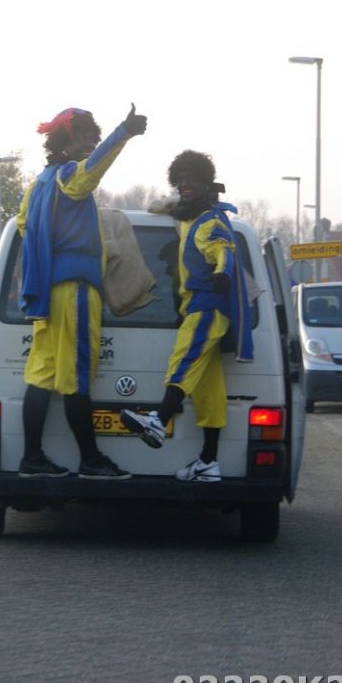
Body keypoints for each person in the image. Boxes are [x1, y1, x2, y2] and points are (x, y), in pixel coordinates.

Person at [17, 103, 147, 480]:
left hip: (46, 294)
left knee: (42, 376)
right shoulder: (70, 177)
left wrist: (50, 248)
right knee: (77, 377)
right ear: (66, 140)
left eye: (94, 137)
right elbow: (92, 171)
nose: (90, 143)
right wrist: (124, 133)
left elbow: (25, 226)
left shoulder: (38, 185)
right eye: (86, 136)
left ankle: (32, 459)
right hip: (76, 289)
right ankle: (90, 460)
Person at [120, 150, 253, 482]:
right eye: (179, 180)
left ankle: (159, 419)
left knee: (183, 359)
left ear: (206, 182)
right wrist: (171, 204)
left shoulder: (209, 221)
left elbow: (224, 250)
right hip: (196, 307)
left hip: (207, 306)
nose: (184, 184)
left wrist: (222, 273)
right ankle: (208, 462)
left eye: (191, 179)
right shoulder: (189, 220)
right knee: (209, 391)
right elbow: (166, 209)